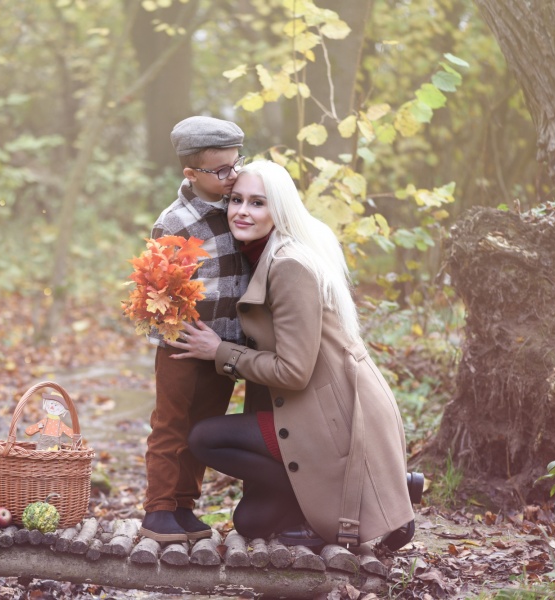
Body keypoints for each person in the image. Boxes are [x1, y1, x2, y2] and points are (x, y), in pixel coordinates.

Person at [170, 160, 417, 550]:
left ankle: (362, 492)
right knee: (251, 522)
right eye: (236, 200)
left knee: (204, 438)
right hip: (316, 410)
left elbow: (294, 371)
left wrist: (219, 351)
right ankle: (375, 488)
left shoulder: (288, 265)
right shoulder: (266, 252)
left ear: (279, 210)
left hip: (328, 418)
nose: (242, 211)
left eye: (257, 203)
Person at [139, 116, 252, 543]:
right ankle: (158, 509)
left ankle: (184, 505)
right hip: (183, 342)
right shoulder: (175, 222)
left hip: (223, 342)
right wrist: (175, 334)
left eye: (236, 164)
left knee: (205, 421)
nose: (232, 176)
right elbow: (155, 290)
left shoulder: (238, 205)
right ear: (191, 173)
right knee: (172, 421)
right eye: (221, 170)